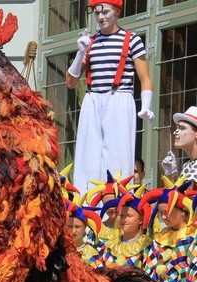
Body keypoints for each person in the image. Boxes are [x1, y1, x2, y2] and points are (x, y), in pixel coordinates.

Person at [66, 0, 154, 193]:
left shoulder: (131, 40)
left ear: (117, 11)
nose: (100, 17)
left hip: (119, 99)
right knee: (87, 155)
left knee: (117, 156)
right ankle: (86, 206)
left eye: (105, 12)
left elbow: (145, 79)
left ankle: (117, 206)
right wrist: (81, 53)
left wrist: (146, 105)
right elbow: (71, 83)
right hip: (93, 99)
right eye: (96, 13)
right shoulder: (90, 42)